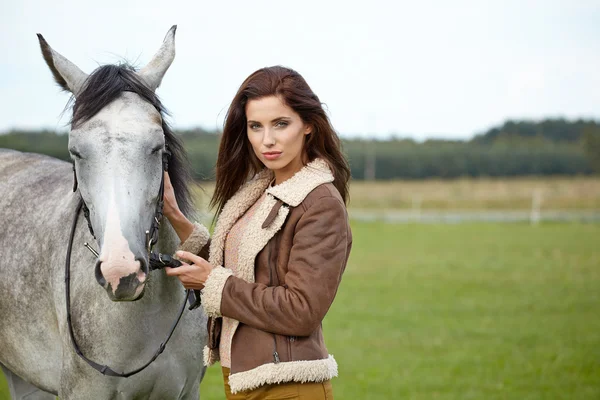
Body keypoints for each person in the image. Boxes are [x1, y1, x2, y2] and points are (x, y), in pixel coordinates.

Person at [163, 65, 352, 399]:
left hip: (289, 386)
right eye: (255, 126)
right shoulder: (259, 192)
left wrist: (211, 283)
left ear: (308, 124)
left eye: (281, 124)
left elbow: (301, 310)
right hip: (241, 378)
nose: (267, 140)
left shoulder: (320, 202)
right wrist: (176, 216)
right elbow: (239, 271)